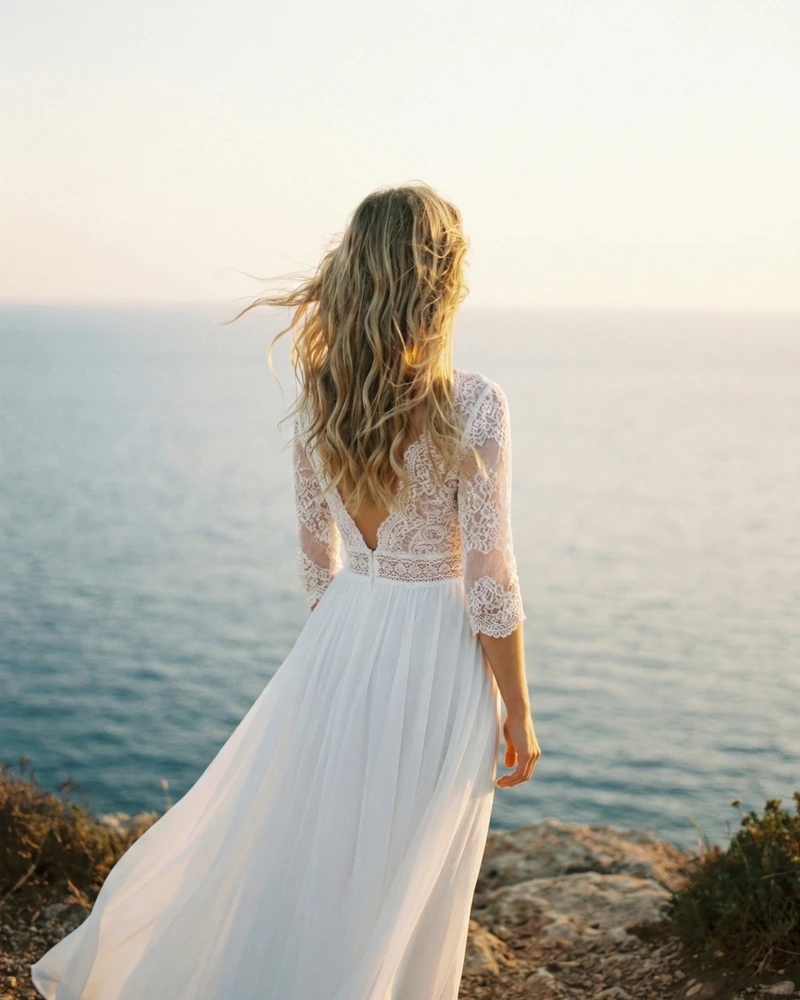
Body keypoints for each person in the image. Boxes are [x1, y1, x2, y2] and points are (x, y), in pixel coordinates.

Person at [30, 180, 541, 1000]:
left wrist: (347, 641)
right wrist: (517, 703)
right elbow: (490, 577)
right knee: (406, 867)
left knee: (323, 845)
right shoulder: (472, 402)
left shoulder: (322, 392)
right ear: (440, 279)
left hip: (341, 636)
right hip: (436, 649)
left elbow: (317, 554)